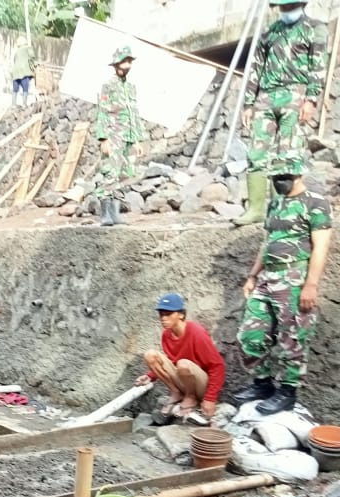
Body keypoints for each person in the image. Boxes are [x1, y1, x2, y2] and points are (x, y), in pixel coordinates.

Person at [233, 170, 332, 413]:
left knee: (293, 337)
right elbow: (267, 242)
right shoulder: (276, 204)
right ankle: (262, 383)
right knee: (250, 335)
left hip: (294, 277)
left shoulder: (315, 203)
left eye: (283, 176)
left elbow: (321, 247)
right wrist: (253, 275)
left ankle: (287, 391)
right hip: (268, 278)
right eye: (274, 177)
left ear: (298, 175)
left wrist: (311, 285)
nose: (278, 182)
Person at [234, 1, 328, 226]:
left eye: (289, 6)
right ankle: (256, 209)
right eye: (282, 8)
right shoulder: (270, 32)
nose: (285, 11)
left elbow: (318, 66)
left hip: (295, 94)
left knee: (287, 155)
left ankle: (282, 209)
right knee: (256, 153)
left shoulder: (315, 28)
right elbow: (256, 67)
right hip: (266, 97)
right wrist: (248, 103)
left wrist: (311, 99)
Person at [135, 293, 226, 425]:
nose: (163, 318)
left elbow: (218, 366)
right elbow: (171, 361)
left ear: (181, 315)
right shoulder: (167, 335)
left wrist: (210, 398)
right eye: (161, 314)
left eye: (168, 314)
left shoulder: (196, 332)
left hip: (200, 385)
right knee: (150, 355)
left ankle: (191, 398)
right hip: (184, 380)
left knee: (183, 364)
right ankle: (176, 392)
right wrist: (150, 376)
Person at [93, 46, 146, 227]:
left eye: (130, 61)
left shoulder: (131, 87)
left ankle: (115, 213)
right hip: (113, 135)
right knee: (110, 173)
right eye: (125, 61)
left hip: (127, 137)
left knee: (123, 175)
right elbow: (103, 112)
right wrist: (104, 138)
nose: (128, 64)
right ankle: (105, 214)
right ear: (117, 64)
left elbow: (134, 113)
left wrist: (137, 140)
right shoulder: (108, 86)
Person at [11, 40, 36, 108]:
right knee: (25, 88)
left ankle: (13, 104)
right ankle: (24, 104)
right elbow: (32, 58)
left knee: (15, 89)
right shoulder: (28, 48)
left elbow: (14, 60)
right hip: (24, 71)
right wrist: (34, 66)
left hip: (15, 71)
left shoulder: (17, 51)